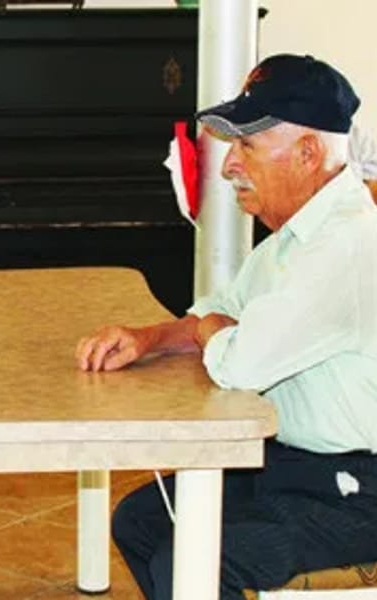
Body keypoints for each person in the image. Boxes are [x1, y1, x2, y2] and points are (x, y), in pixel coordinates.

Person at [75, 54, 377, 599]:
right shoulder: (295, 236)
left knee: (194, 563)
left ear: (308, 153)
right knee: (140, 523)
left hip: (357, 491)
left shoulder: (344, 245)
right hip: (293, 465)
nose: (229, 165)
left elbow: (239, 363)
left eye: (247, 146)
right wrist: (149, 339)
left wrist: (215, 329)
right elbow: (218, 312)